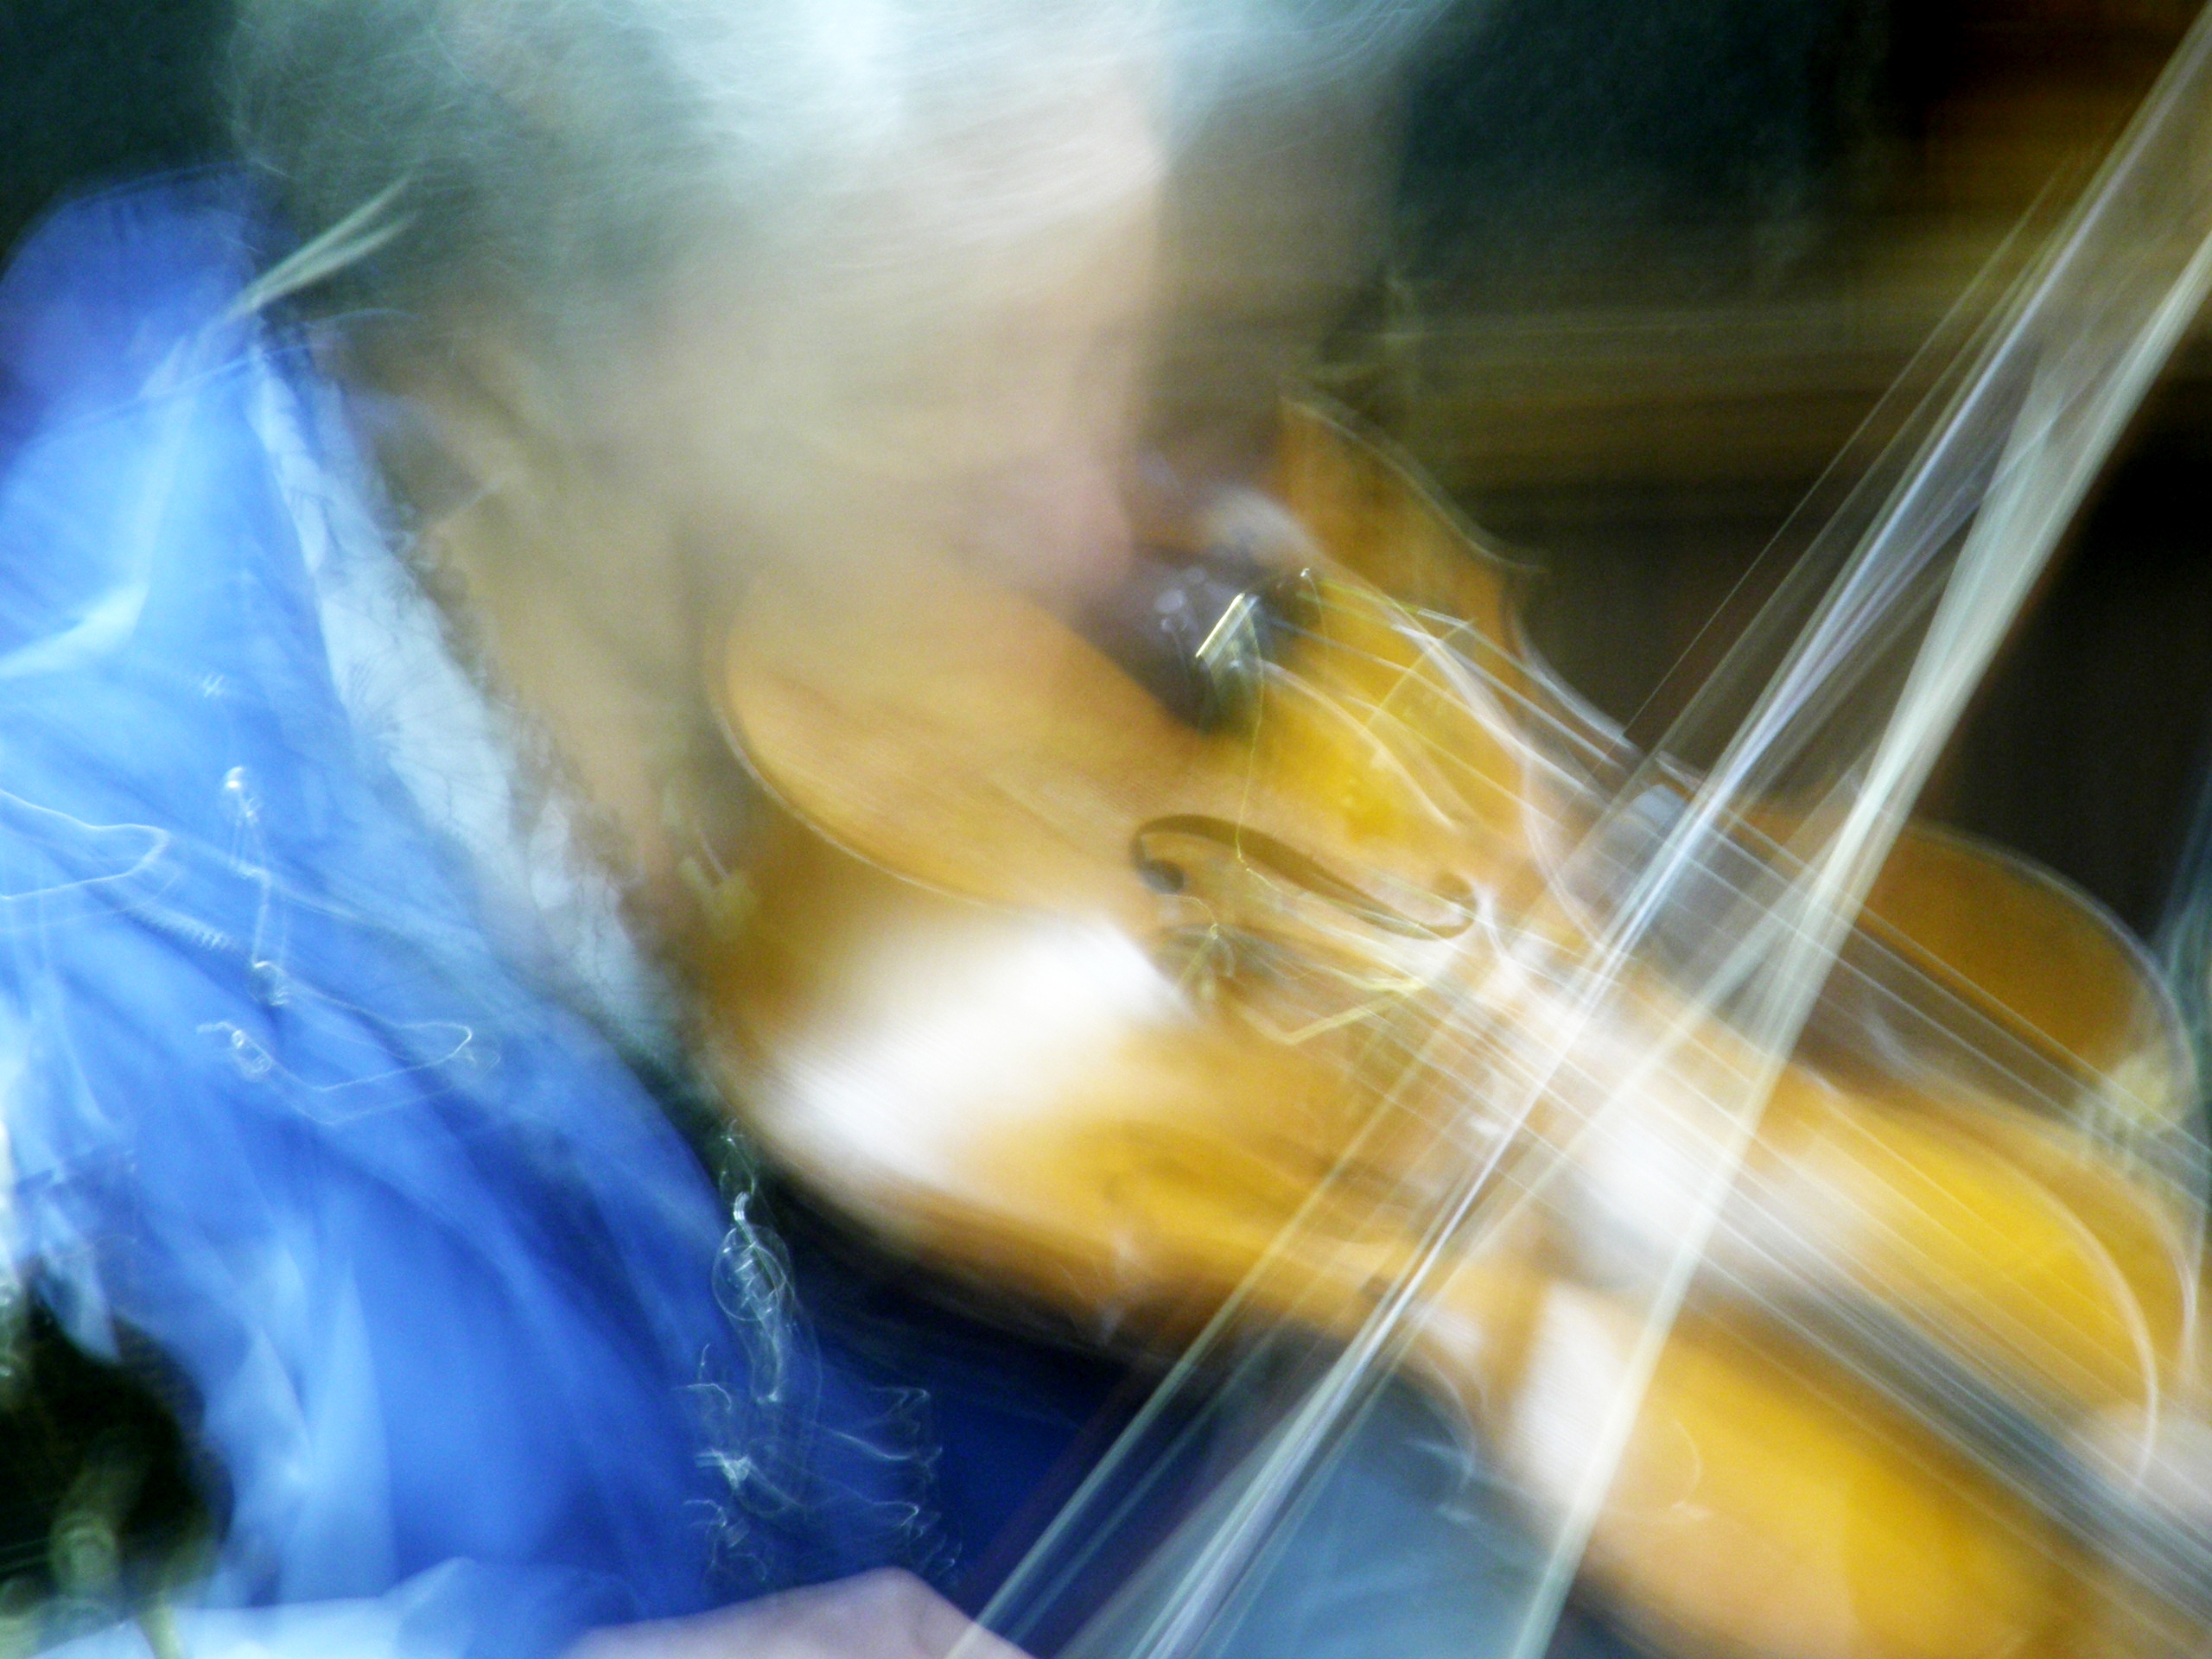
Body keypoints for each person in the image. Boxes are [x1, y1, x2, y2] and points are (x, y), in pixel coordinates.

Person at [0, 2, 1638, 1655]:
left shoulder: (1089, 826)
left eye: (1181, 389)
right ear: (544, 328)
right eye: (922, 389)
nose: (1091, 541)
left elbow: (1257, 1545)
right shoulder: (70, 892)